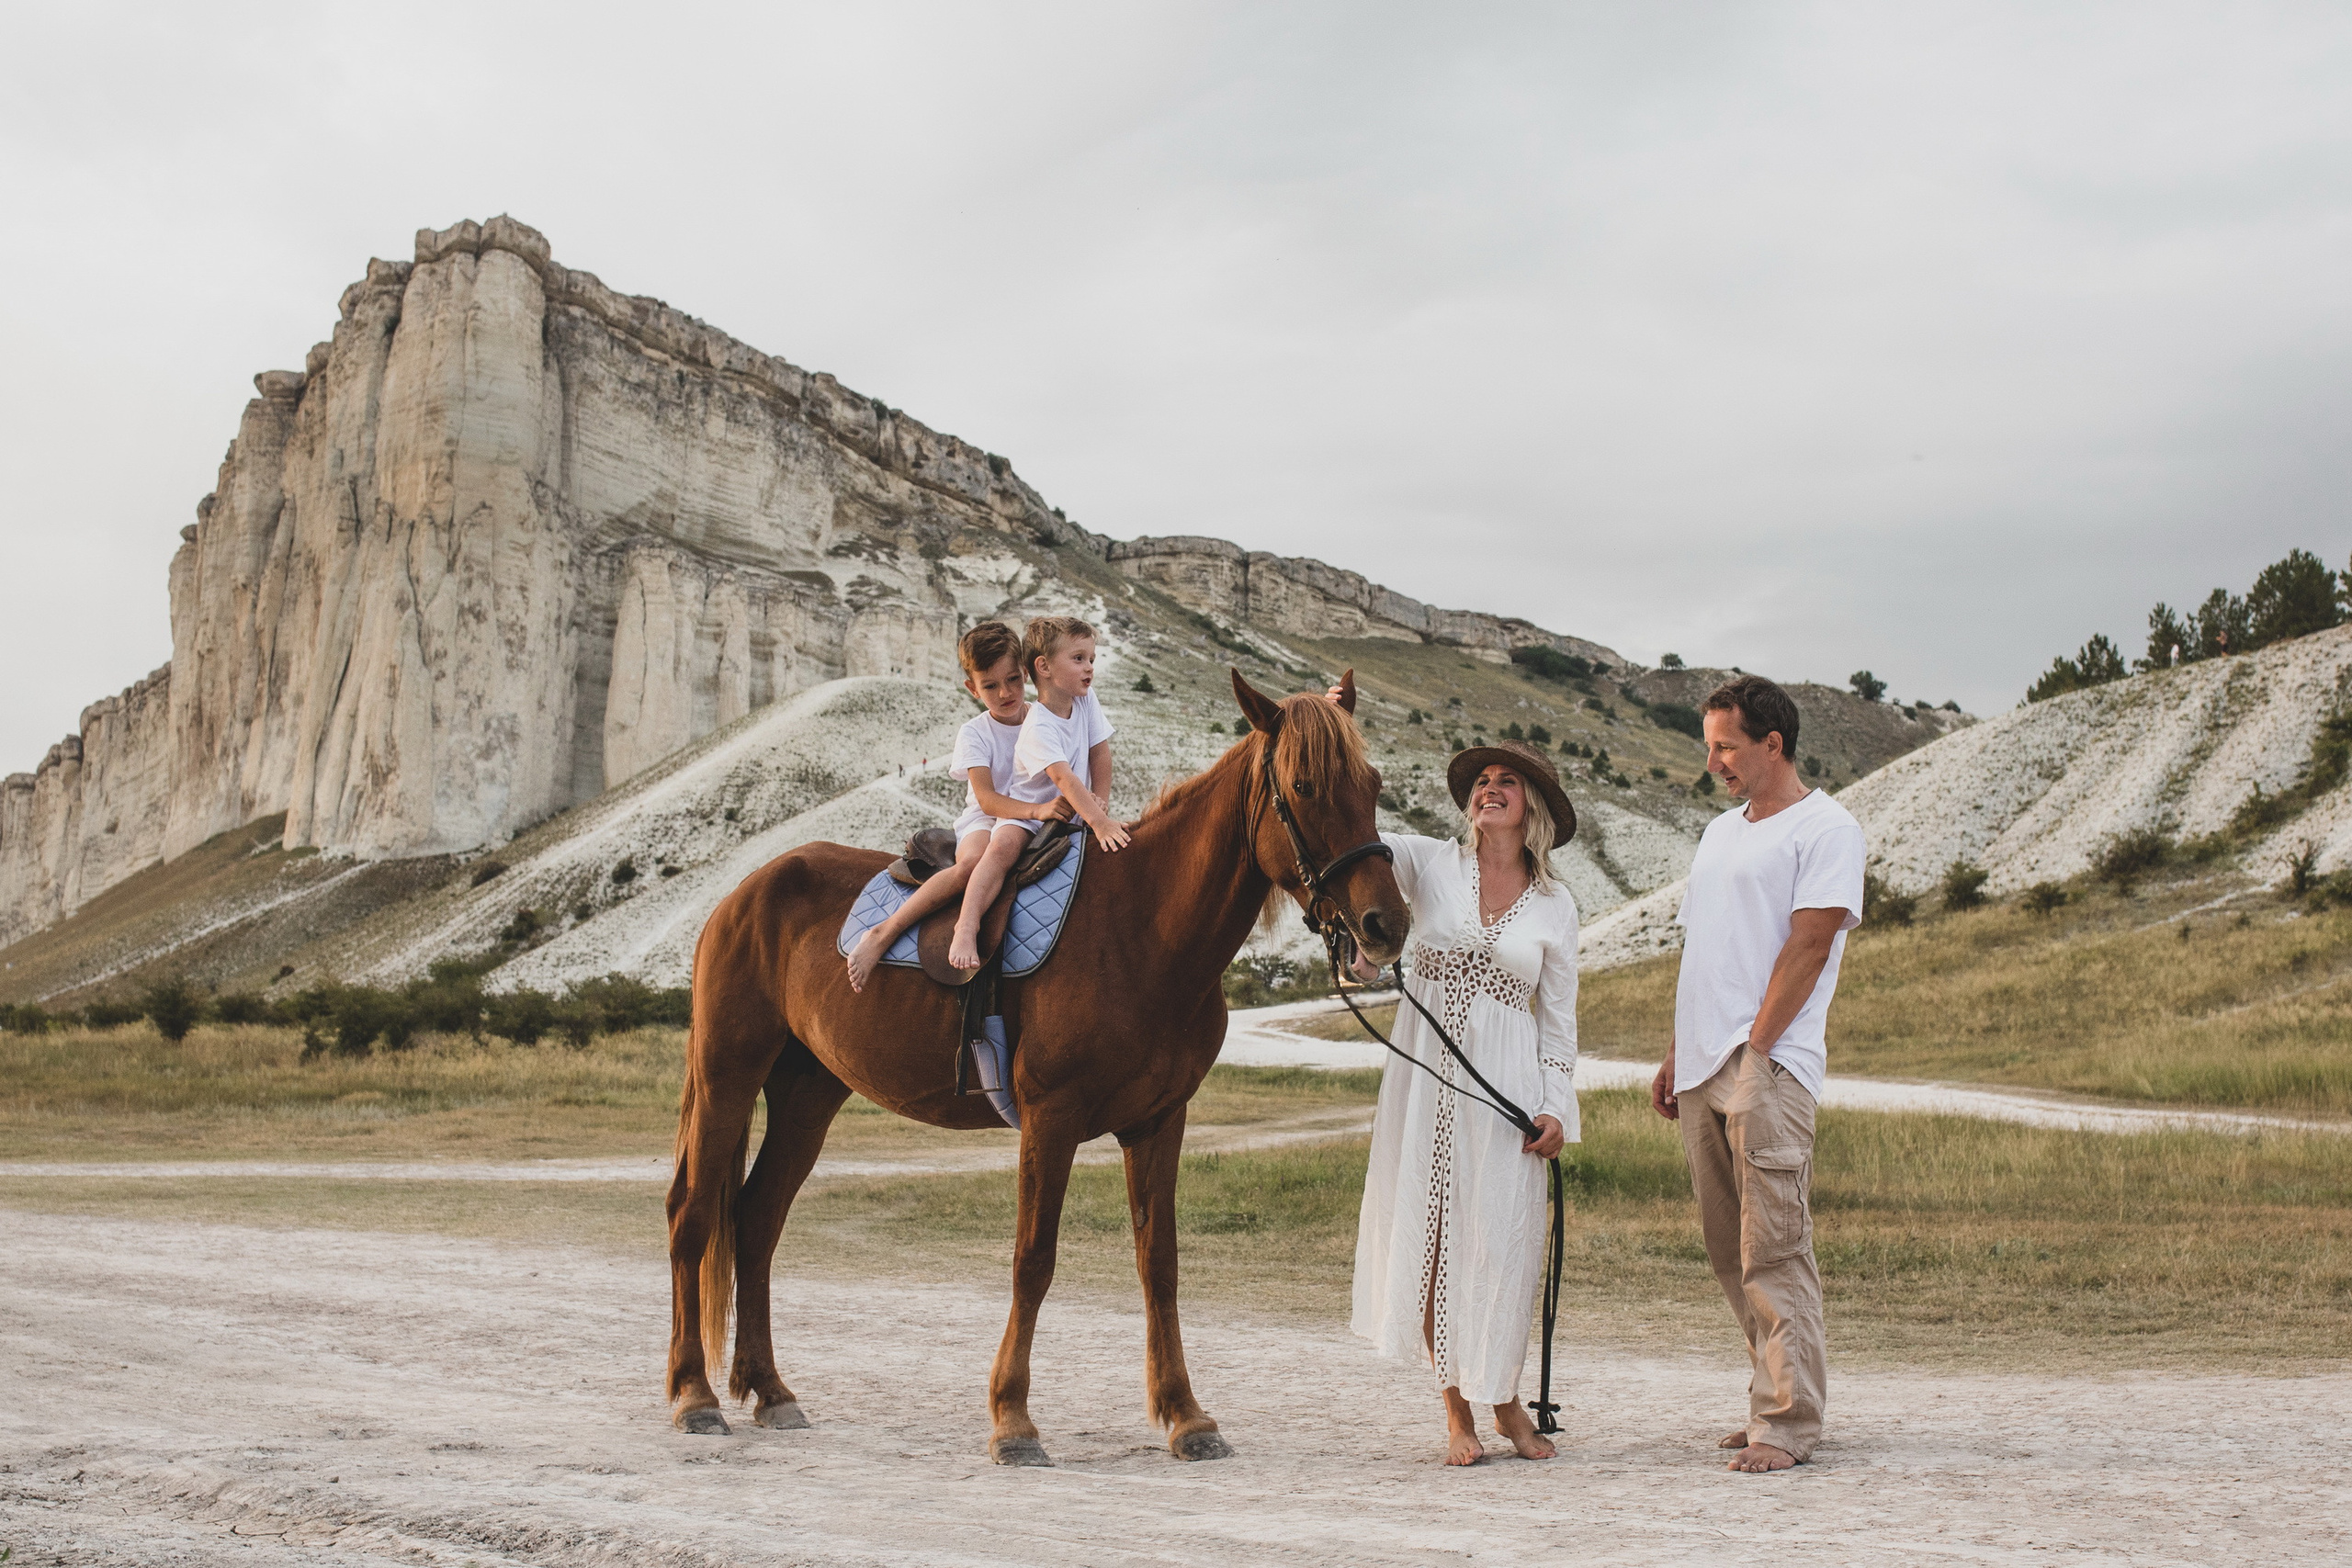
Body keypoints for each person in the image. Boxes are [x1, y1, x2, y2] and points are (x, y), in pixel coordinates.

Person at [1648, 673, 1864, 1473]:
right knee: (1728, 1248)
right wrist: (1680, 1050)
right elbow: (1706, 949)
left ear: (1774, 743)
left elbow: (1808, 948)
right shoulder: (1718, 833)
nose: (1715, 763)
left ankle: (1788, 1420)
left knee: (1775, 1246)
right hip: (1706, 1063)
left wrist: (1757, 1054)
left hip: (1767, 1064)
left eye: (1727, 747)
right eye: (1709, 748)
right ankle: (1768, 1396)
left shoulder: (1827, 828)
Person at [1345, 730, 1580, 1467]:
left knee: (1501, 1242)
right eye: (1481, 780)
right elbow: (1349, 839)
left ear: (1530, 805)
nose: (1488, 787)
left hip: (1508, 1087)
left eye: (1507, 780)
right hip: (1427, 1077)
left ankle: (1505, 1398)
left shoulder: (1555, 903)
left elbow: (1559, 1021)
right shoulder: (1427, 861)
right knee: (1433, 1238)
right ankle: (1456, 1412)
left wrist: (1557, 1108)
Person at [844, 622, 1071, 991]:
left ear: (1026, 674)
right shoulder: (975, 732)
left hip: (1037, 815)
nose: (1005, 692)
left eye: (1013, 679)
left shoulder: (1042, 718)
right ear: (972, 688)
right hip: (987, 818)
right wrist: (1037, 810)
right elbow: (986, 799)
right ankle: (885, 932)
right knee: (971, 866)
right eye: (991, 685)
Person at [966, 615, 1129, 968]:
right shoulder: (1038, 724)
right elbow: (1064, 779)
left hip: (1070, 811)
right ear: (1043, 667)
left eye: (1091, 659)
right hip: (1029, 811)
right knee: (1000, 850)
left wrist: (1101, 808)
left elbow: (1099, 754)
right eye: (1079, 659)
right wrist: (1099, 823)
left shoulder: (1085, 700)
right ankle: (967, 925)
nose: (1089, 668)